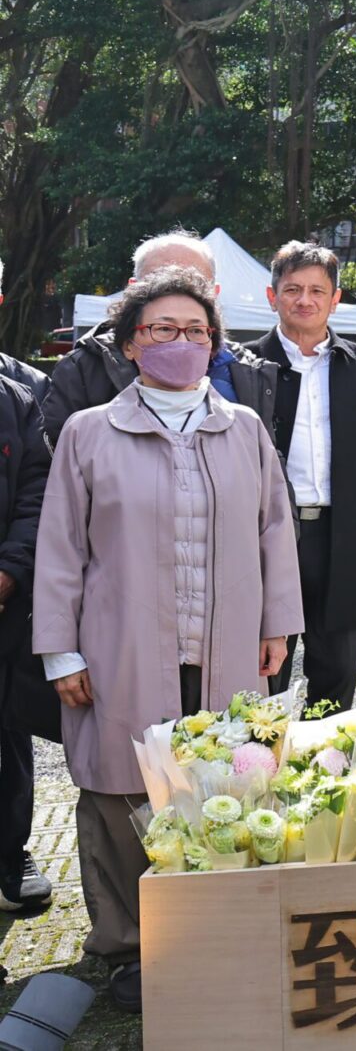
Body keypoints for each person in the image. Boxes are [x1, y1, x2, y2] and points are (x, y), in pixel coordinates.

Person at [34, 267, 299, 1012]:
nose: (181, 342)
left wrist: (278, 624)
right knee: (118, 796)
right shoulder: (90, 433)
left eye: (196, 331)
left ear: (213, 344)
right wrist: (62, 651)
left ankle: (221, 932)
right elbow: (60, 549)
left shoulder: (242, 429)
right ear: (127, 345)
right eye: (161, 330)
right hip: (117, 647)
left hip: (228, 645)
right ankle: (125, 948)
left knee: (228, 783)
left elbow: (274, 532)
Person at [253, 243, 356, 712]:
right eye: (292, 289)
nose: (304, 300)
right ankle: (257, 771)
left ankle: (327, 774)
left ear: (336, 300)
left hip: (344, 537)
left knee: (337, 672)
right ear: (272, 296)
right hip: (267, 538)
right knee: (261, 670)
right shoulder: (244, 368)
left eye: (317, 290)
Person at [44, 230, 279, 445]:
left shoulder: (247, 370)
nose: (176, 296)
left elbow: (267, 469)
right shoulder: (85, 369)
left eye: (193, 283)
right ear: (133, 291)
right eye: (159, 282)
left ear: (214, 294)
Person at [0, 313, 47, 919]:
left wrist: (12, 567)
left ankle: (11, 855)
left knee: (8, 736)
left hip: (4, 600)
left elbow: (39, 489)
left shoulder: (20, 393)